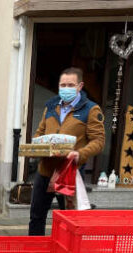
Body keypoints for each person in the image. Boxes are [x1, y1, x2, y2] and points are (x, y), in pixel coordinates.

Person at [28, 67, 105, 236]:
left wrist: (81, 154)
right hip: (45, 170)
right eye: (62, 85)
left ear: (80, 86)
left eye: (70, 84)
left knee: (70, 220)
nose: (65, 88)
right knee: (36, 216)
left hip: (69, 172)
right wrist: (37, 146)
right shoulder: (51, 106)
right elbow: (39, 132)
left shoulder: (91, 109)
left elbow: (99, 141)